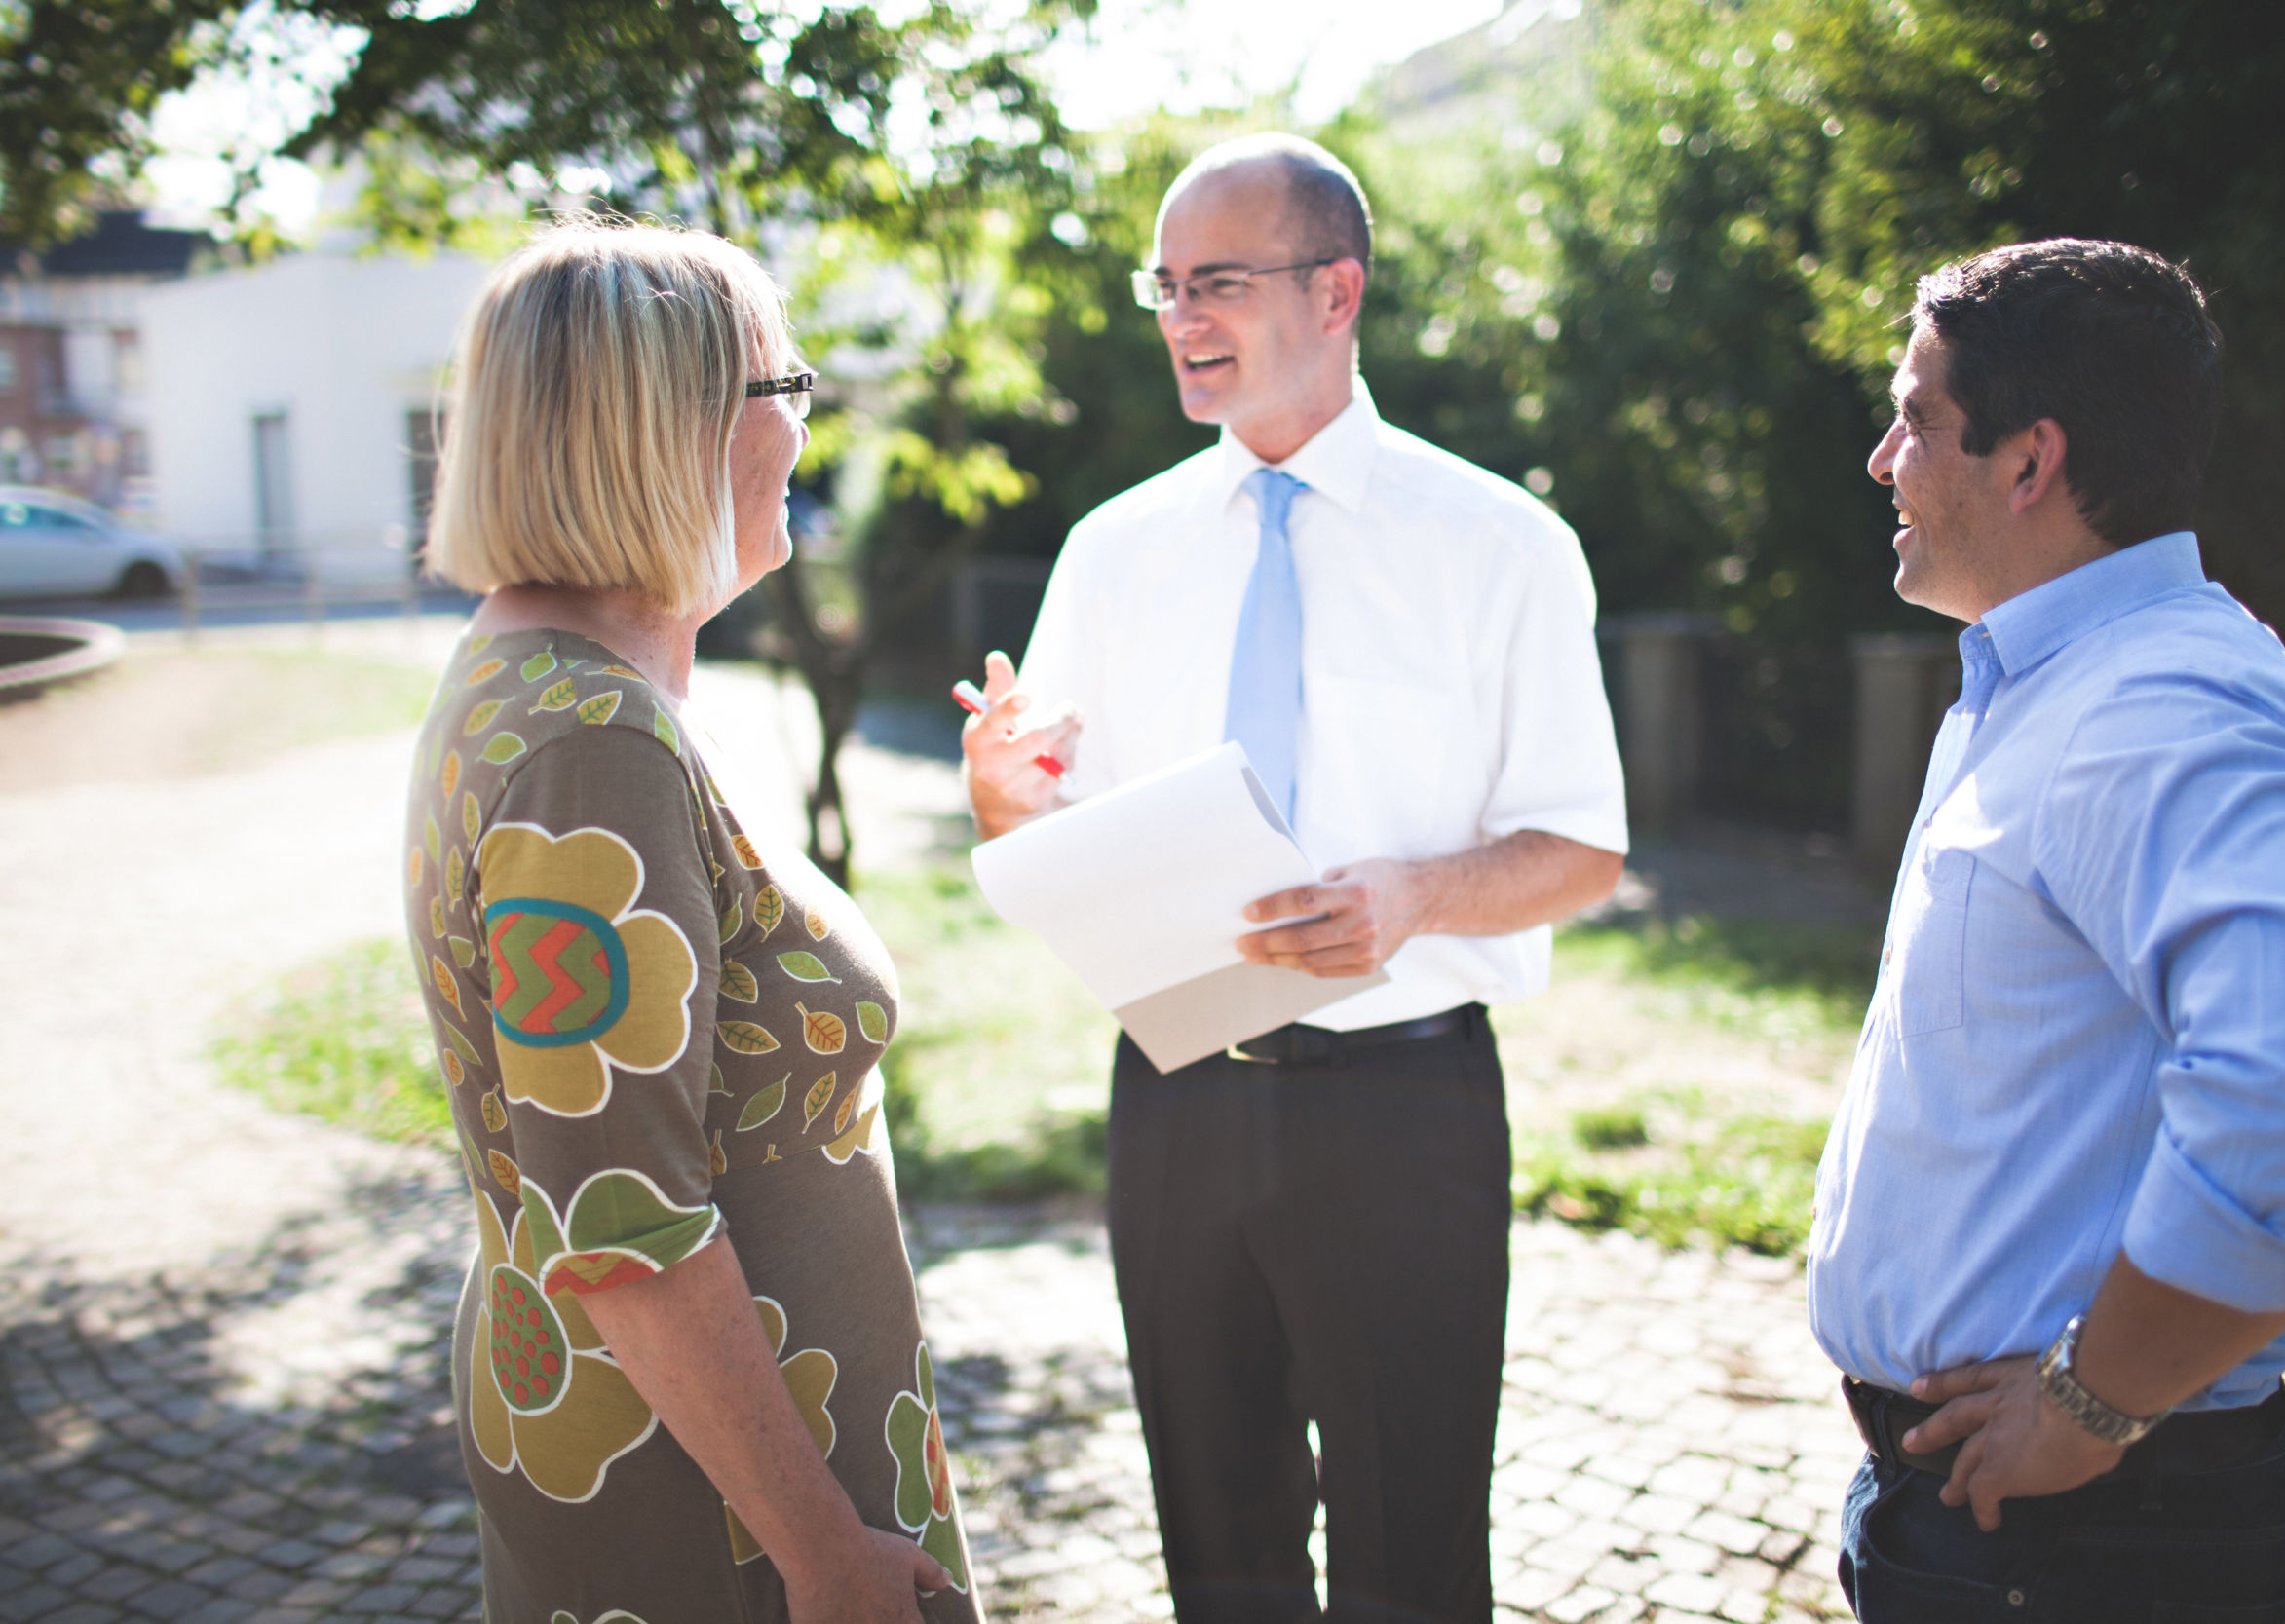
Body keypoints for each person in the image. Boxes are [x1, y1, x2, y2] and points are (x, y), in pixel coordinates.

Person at [959, 133, 1628, 1623]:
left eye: (1220, 282)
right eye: (1166, 285)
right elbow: (1047, 831)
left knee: (1413, 1553)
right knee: (1219, 1547)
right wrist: (1006, 804)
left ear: (1338, 291)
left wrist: (1413, 898)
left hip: (1404, 1107)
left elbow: (1583, 844)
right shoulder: (1112, 550)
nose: (1182, 317)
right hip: (1176, 1098)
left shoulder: (1501, 546)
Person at [1811, 237, 2285, 1622]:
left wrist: (2093, 1405)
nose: (1880, 459)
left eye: (1913, 417)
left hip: (2090, 1541)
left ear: (2028, 463)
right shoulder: (2042, 677)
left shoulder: (2163, 709)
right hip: (1987, 1521)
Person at [404, 218, 981, 1624]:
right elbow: (626, 1224)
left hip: (695, 1465)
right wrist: (825, 1553)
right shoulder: (587, 741)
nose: (806, 430)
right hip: (718, 1521)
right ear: (669, 429)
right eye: (788, 390)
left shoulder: (552, 678)